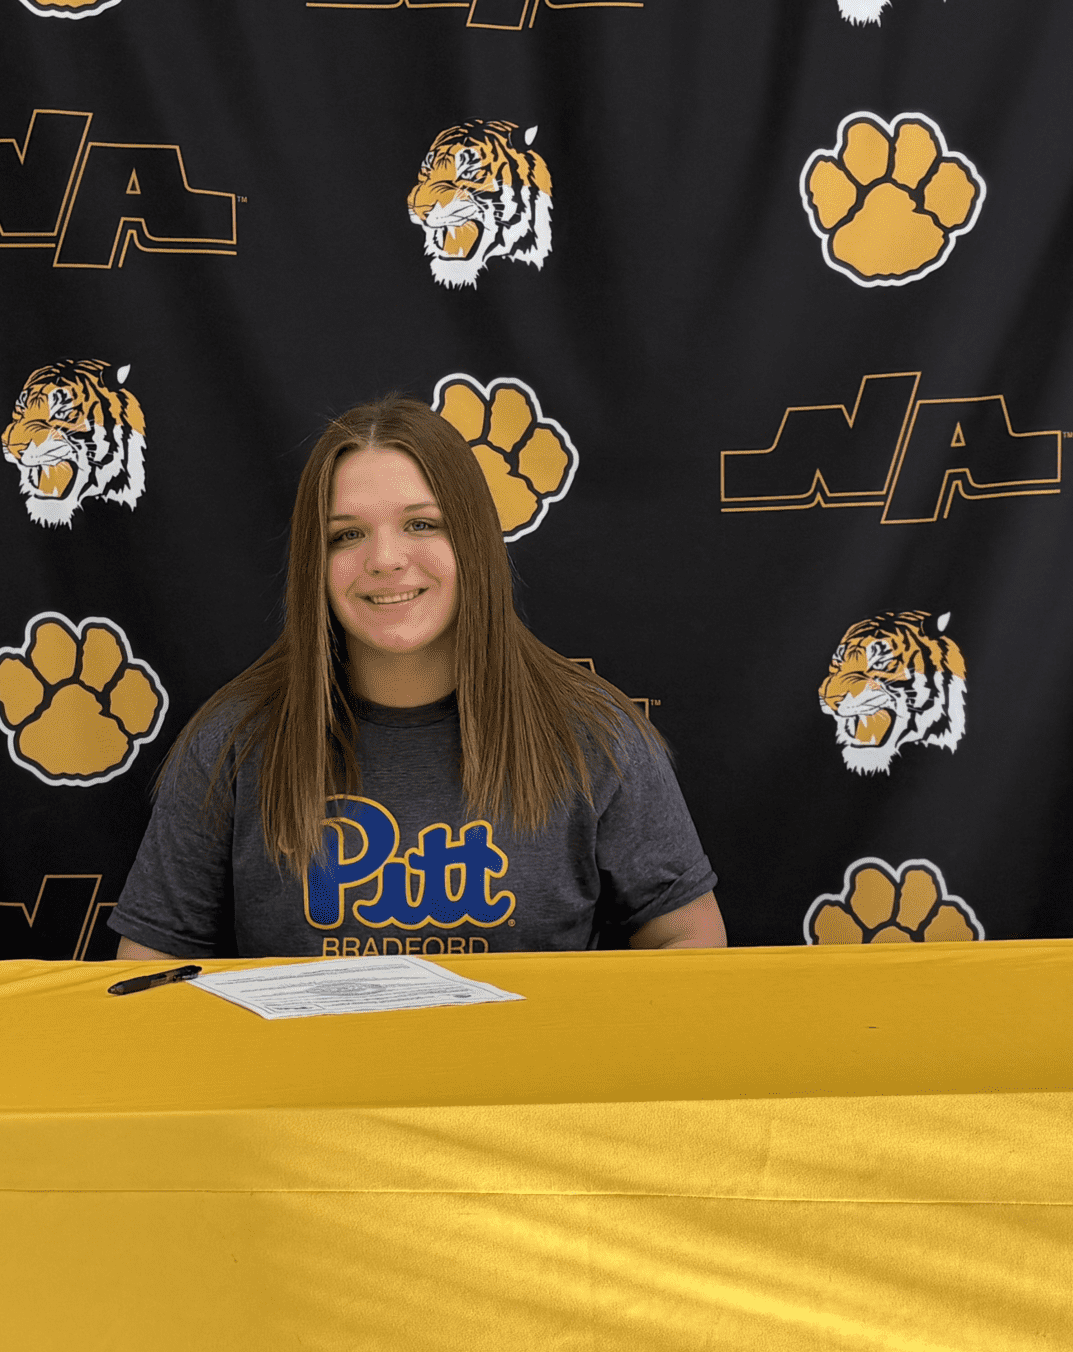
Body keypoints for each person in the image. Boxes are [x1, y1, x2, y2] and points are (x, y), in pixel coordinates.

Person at [110, 395, 724, 960]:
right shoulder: (233, 739)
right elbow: (150, 964)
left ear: (474, 541)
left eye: (422, 524)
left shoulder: (595, 734)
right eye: (347, 535)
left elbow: (688, 939)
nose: (384, 559)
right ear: (314, 563)